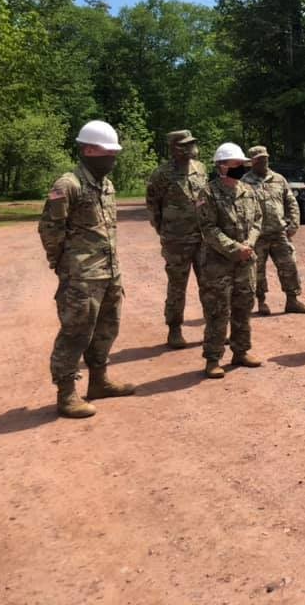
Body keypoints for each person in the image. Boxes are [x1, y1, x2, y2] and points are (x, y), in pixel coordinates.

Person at [38, 121, 135, 418]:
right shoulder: (68, 185)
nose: (113, 159)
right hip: (80, 277)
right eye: (109, 152)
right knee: (75, 333)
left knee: (108, 328)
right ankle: (66, 394)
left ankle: (99, 382)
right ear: (89, 150)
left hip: (109, 273)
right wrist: (63, 264)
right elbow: (49, 230)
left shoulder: (106, 186)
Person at [196, 143, 263, 378]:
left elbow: (257, 220)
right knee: (217, 311)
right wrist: (235, 249)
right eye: (236, 165)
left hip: (245, 262)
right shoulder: (208, 193)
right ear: (222, 166)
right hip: (218, 264)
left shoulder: (247, 190)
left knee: (243, 307)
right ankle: (213, 359)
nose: (240, 169)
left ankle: (240, 351)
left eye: (241, 165)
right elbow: (209, 229)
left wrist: (250, 245)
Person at [145, 129, 209, 348]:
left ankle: (214, 328)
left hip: (202, 238)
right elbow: (153, 206)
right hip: (176, 240)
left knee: (209, 284)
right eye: (184, 145)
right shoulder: (161, 174)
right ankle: (174, 330)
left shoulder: (200, 169)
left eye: (191, 144)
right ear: (173, 147)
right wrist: (165, 232)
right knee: (177, 287)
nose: (189, 148)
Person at [242, 145, 305, 315]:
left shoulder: (278, 179)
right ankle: (261, 302)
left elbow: (291, 202)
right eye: (259, 159)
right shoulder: (244, 182)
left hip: (280, 233)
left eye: (265, 158)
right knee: (257, 270)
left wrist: (293, 223)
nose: (263, 161)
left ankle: (292, 300)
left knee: (289, 266)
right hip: (256, 236)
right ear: (251, 162)